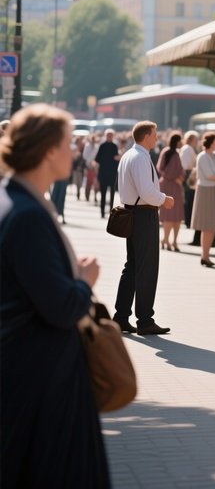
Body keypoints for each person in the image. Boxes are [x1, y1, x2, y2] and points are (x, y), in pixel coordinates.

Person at [0, 104, 111, 487]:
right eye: (67, 143)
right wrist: (84, 281)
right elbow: (61, 308)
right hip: (42, 384)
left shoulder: (12, 199)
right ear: (48, 150)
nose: (74, 151)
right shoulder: (27, 213)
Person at [112, 120, 175, 335]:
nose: (157, 137)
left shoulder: (131, 155)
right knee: (146, 267)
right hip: (143, 213)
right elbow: (146, 191)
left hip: (134, 212)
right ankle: (145, 320)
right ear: (146, 136)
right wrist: (163, 199)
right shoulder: (139, 157)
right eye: (155, 134)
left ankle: (121, 316)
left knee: (133, 266)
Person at [192, 133, 215, 268]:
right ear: (210, 142)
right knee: (207, 225)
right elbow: (209, 175)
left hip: (214, 190)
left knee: (212, 225)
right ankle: (204, 255)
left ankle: (206, 255)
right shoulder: (202, 156)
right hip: (206, 191)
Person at [156, 132, 185, 251]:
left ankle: (174, 241)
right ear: (176, 141)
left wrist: (180, 178)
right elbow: (160, 168)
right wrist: (173, 177)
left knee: (177, 215)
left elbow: (181, 170)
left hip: (175, 185)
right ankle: (166, 239)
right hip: (168, 184)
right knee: (168, 214)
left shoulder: (177, 153)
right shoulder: (167, 152)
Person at [94, 128, 120, 218]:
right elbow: (97, 159)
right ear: (105, 136)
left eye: (111, 135)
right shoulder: (102, 146)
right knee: (103, 193)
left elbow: (117, 158)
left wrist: (117, 158)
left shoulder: (114, 146)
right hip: (103, 173)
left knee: (112, 193)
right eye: (108, 135)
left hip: (112, 173)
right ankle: (102, 211)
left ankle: (111, 212)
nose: (109, 137)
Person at [179, 130, 199, 226]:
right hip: (188, 174)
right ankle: (188, 219)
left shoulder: (187, 148)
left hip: (188, 173)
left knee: (188, 198)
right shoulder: (188, 149)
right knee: (189, 198)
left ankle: (188, 219)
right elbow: (188, 164)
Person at [82, 133, 99, 202]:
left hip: (95, 166)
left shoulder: (97, 146)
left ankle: (95, 196)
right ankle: (87, 195)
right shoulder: (87, 146)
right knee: (88, 182)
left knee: (96, 182)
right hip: (89, 166)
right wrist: (90, 161)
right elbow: (85, 156)